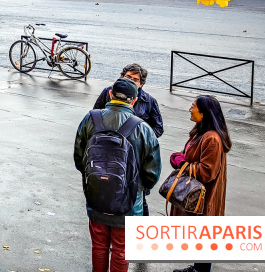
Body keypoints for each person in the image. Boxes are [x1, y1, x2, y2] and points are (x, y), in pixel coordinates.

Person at [74, 78, 161, 272]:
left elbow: (79, 158)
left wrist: (97, 179)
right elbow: (152, 173)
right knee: (121, 250)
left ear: (111, 95)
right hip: (129, 203)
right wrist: (138, 188)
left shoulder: (91, 119)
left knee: (99, 246)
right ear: (134, 100)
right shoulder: (143, 128)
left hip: (96, 198)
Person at [171, 96, 232, 272]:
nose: (190, 109)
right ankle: (198, 268)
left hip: (205, 196)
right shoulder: (201, 132)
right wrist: (179, 157)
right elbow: (190, 155)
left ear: (204, 113)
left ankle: (201, 270)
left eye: (193, 106)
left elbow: (207, 171)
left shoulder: (212, 138)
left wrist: (182, 163)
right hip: (198, 194)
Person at [94, 63, 163, 216]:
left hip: (135, 157)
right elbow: (96, 118)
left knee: (138, 199)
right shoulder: (108, 92)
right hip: (109, 154)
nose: (131, 81)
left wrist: (140, 137)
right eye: (128, 77)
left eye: (135, 79)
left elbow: (158, 128)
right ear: (121, 77)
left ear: (141, 84)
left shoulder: (149, 101)